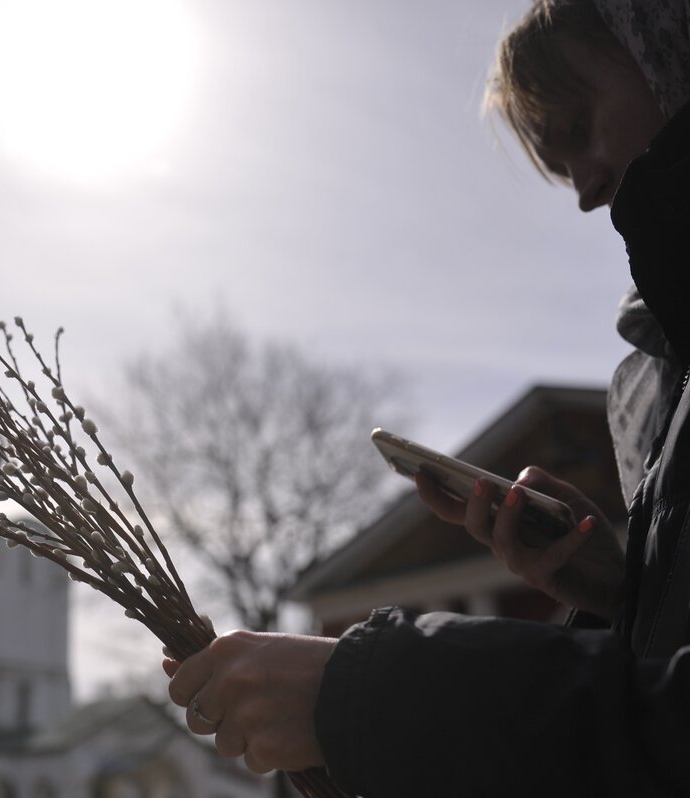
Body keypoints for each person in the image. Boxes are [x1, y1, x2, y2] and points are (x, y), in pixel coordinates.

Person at [164, 1, 690, 794]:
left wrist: (363, 696)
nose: (585, 191)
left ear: (669, 52)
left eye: (580, 126)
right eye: (560, 163)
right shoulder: (665, 373)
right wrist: (621, 591)